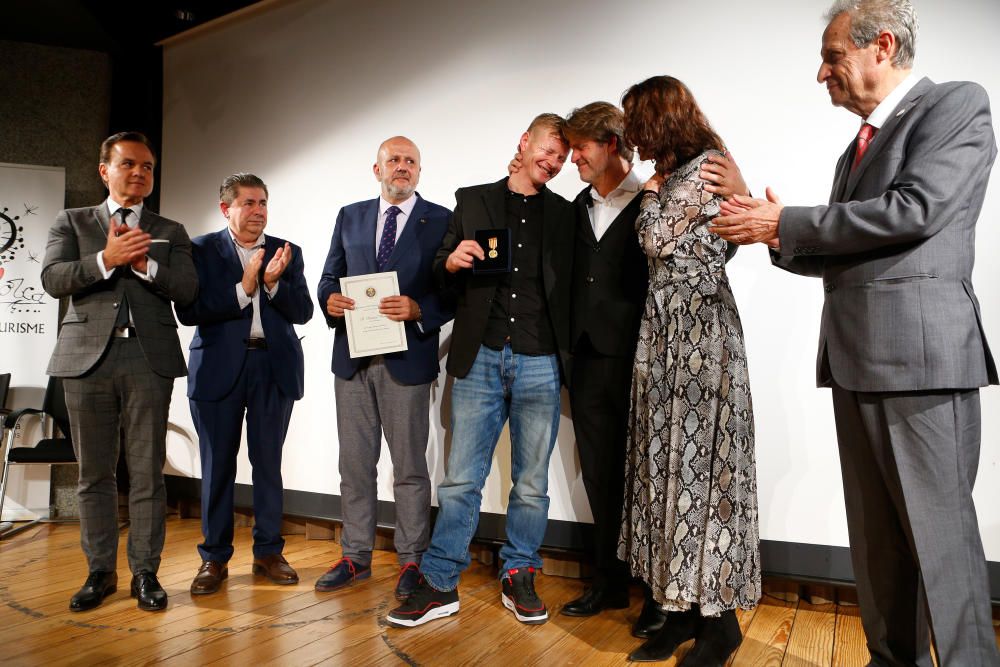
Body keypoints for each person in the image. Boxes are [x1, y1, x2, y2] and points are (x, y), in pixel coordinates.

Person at [712, 1, 999, 664]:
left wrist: (783, 223)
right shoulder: (854, 152)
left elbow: (915, 210)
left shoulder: (955, 106)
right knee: (876, 550)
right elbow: (850, 244)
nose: (822, 73)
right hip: (854, 364)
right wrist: (767, 224)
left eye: (832, 55)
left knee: (942, 547)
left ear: (881, 46)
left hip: (923, 365)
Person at [542, 103, 749, 640]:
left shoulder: (662, 196)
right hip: (588, 362)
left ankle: (660, 599)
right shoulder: (574, 209)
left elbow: (715, 253)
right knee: (601, 475)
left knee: (652, 478)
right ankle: (608, 581)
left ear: (610, 144)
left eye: (580, 148)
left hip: (652, 359)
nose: (573, 160)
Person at [386, 114, 575, 628]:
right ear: (524, 142)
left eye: (562, 157)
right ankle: (441, 580)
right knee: (460, 481)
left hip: (540, 359)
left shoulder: (566, 214)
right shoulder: (471, 200)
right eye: (547, 150)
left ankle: (520, 572)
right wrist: (450, 263)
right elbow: (440, 273)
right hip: (479, 357)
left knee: (531, 483)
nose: (554, 163)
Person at [618, 76, 760, 665]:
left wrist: (648, 196)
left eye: (636, 122)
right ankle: (678, 611)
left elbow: (654, 239)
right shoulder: (685, 171)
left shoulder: (704, 167)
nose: (631, 136)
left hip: (700, 334)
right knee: (668, 463)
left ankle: (720, 624)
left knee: (704, 471)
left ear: (659, 118)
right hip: (666, 332)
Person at [42, 131, 198, 612]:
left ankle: (146, 573)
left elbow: (189, 290)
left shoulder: (170, 229)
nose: (139, 173)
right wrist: (105, 261)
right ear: (104, 170)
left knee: (149, 471)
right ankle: (100, 571)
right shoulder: (72, 221)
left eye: (147, 166)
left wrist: (146, 265)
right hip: (86, 358)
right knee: (94, 473)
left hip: (148, 359)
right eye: (128, 164)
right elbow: (53, 279)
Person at [314, 137, 453, 600]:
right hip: (352, 361)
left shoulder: (442, 220)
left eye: (411, 160)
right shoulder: (349, 215)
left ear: (419, 171)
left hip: (408, 360)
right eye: (393, 160)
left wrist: (419, 310)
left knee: (410, 467)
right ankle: (355, 555)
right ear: (376, 170)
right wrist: (329, 301)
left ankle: (412, 558)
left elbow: (451, 292)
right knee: (354, 465)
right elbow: (329, 278)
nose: (402, 167)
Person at [176, 173, 313, 594]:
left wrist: (272, 285)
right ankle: (214, 559)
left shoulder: (287, 251)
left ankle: (269, 551)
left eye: (263, 203)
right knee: (218, 467)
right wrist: (244, 287)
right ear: (226, 208)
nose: (258, 211)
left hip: (272, 368)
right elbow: (190, 310)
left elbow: (304, 311)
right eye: (249, 203)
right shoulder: (199, 250)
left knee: (268, 465)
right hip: (219, 369)